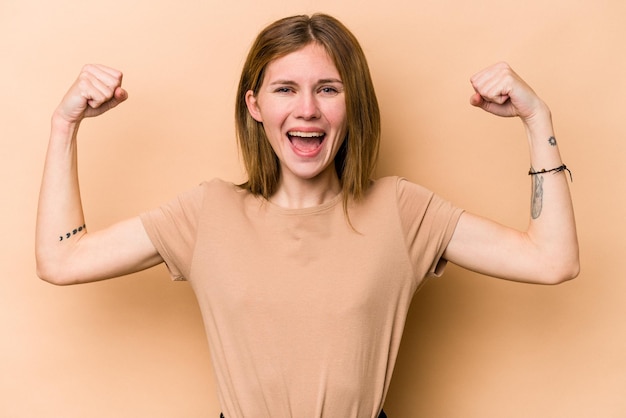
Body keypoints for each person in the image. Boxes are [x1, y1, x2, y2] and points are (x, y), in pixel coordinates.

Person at [35, 13, 579, 418]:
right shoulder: (208, 212)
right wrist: (65, 126)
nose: (307, 110)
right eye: (285, 89)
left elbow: (552, 259)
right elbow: (62, 259)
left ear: (352, 103)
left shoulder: (401, 210)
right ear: (256, 106)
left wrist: (537, 121)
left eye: (328, 89)